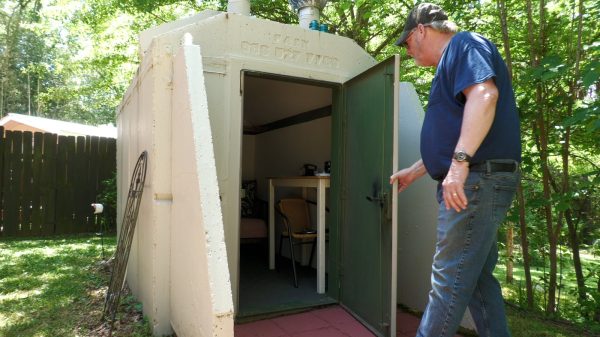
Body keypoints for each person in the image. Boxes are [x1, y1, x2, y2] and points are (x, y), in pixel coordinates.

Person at [389, 3, 521, 337]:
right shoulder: (451, 62)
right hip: (475, 179)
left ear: (421, 29)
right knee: (474, 279)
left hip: (476, 180)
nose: (407, 51)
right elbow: (455, 134)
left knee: (447, 281)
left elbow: (484, 94)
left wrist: (460, 166)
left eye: (406, 42)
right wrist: (418, 169)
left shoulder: (465, 44)